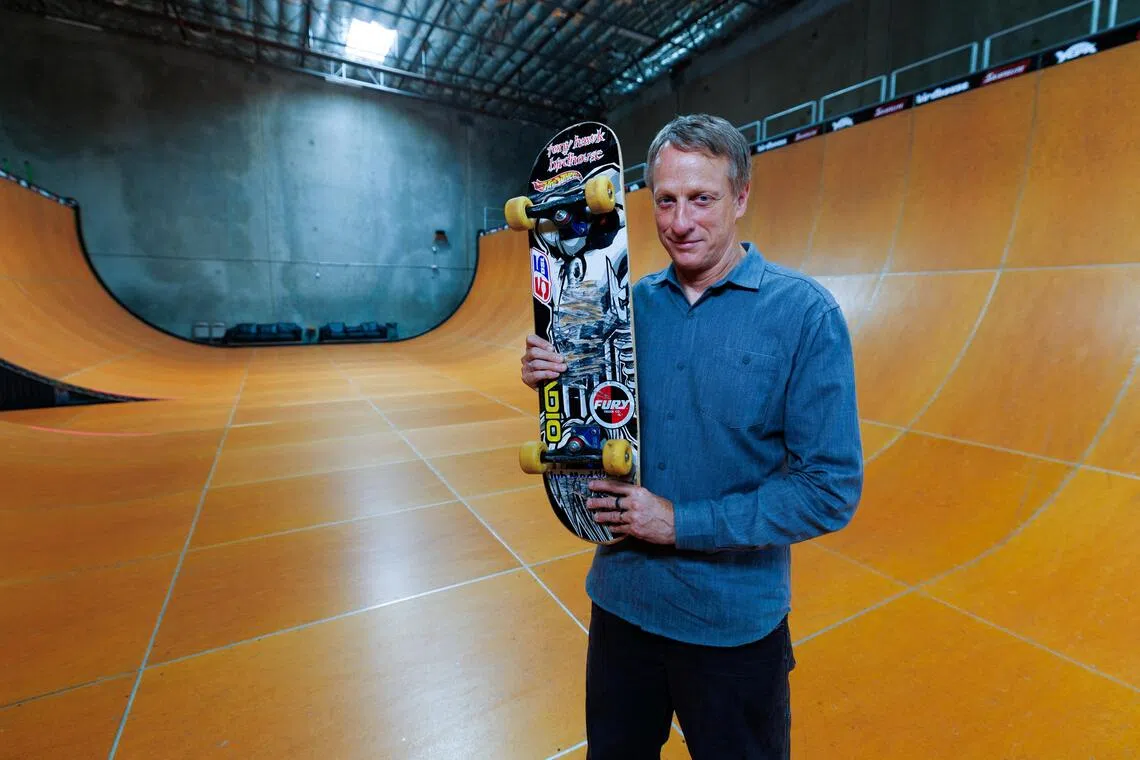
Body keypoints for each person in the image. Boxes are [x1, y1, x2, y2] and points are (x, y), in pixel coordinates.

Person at [520, 113, 863, 759]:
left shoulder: (803, 315)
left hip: (732, 627)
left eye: (702, 199)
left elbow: (830, 490)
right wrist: (553, 380)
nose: (680, 223)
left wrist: (680, 523)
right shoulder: (623, 309)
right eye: (667, 200)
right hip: (621, 608)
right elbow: (590, 421)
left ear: (741, 198)